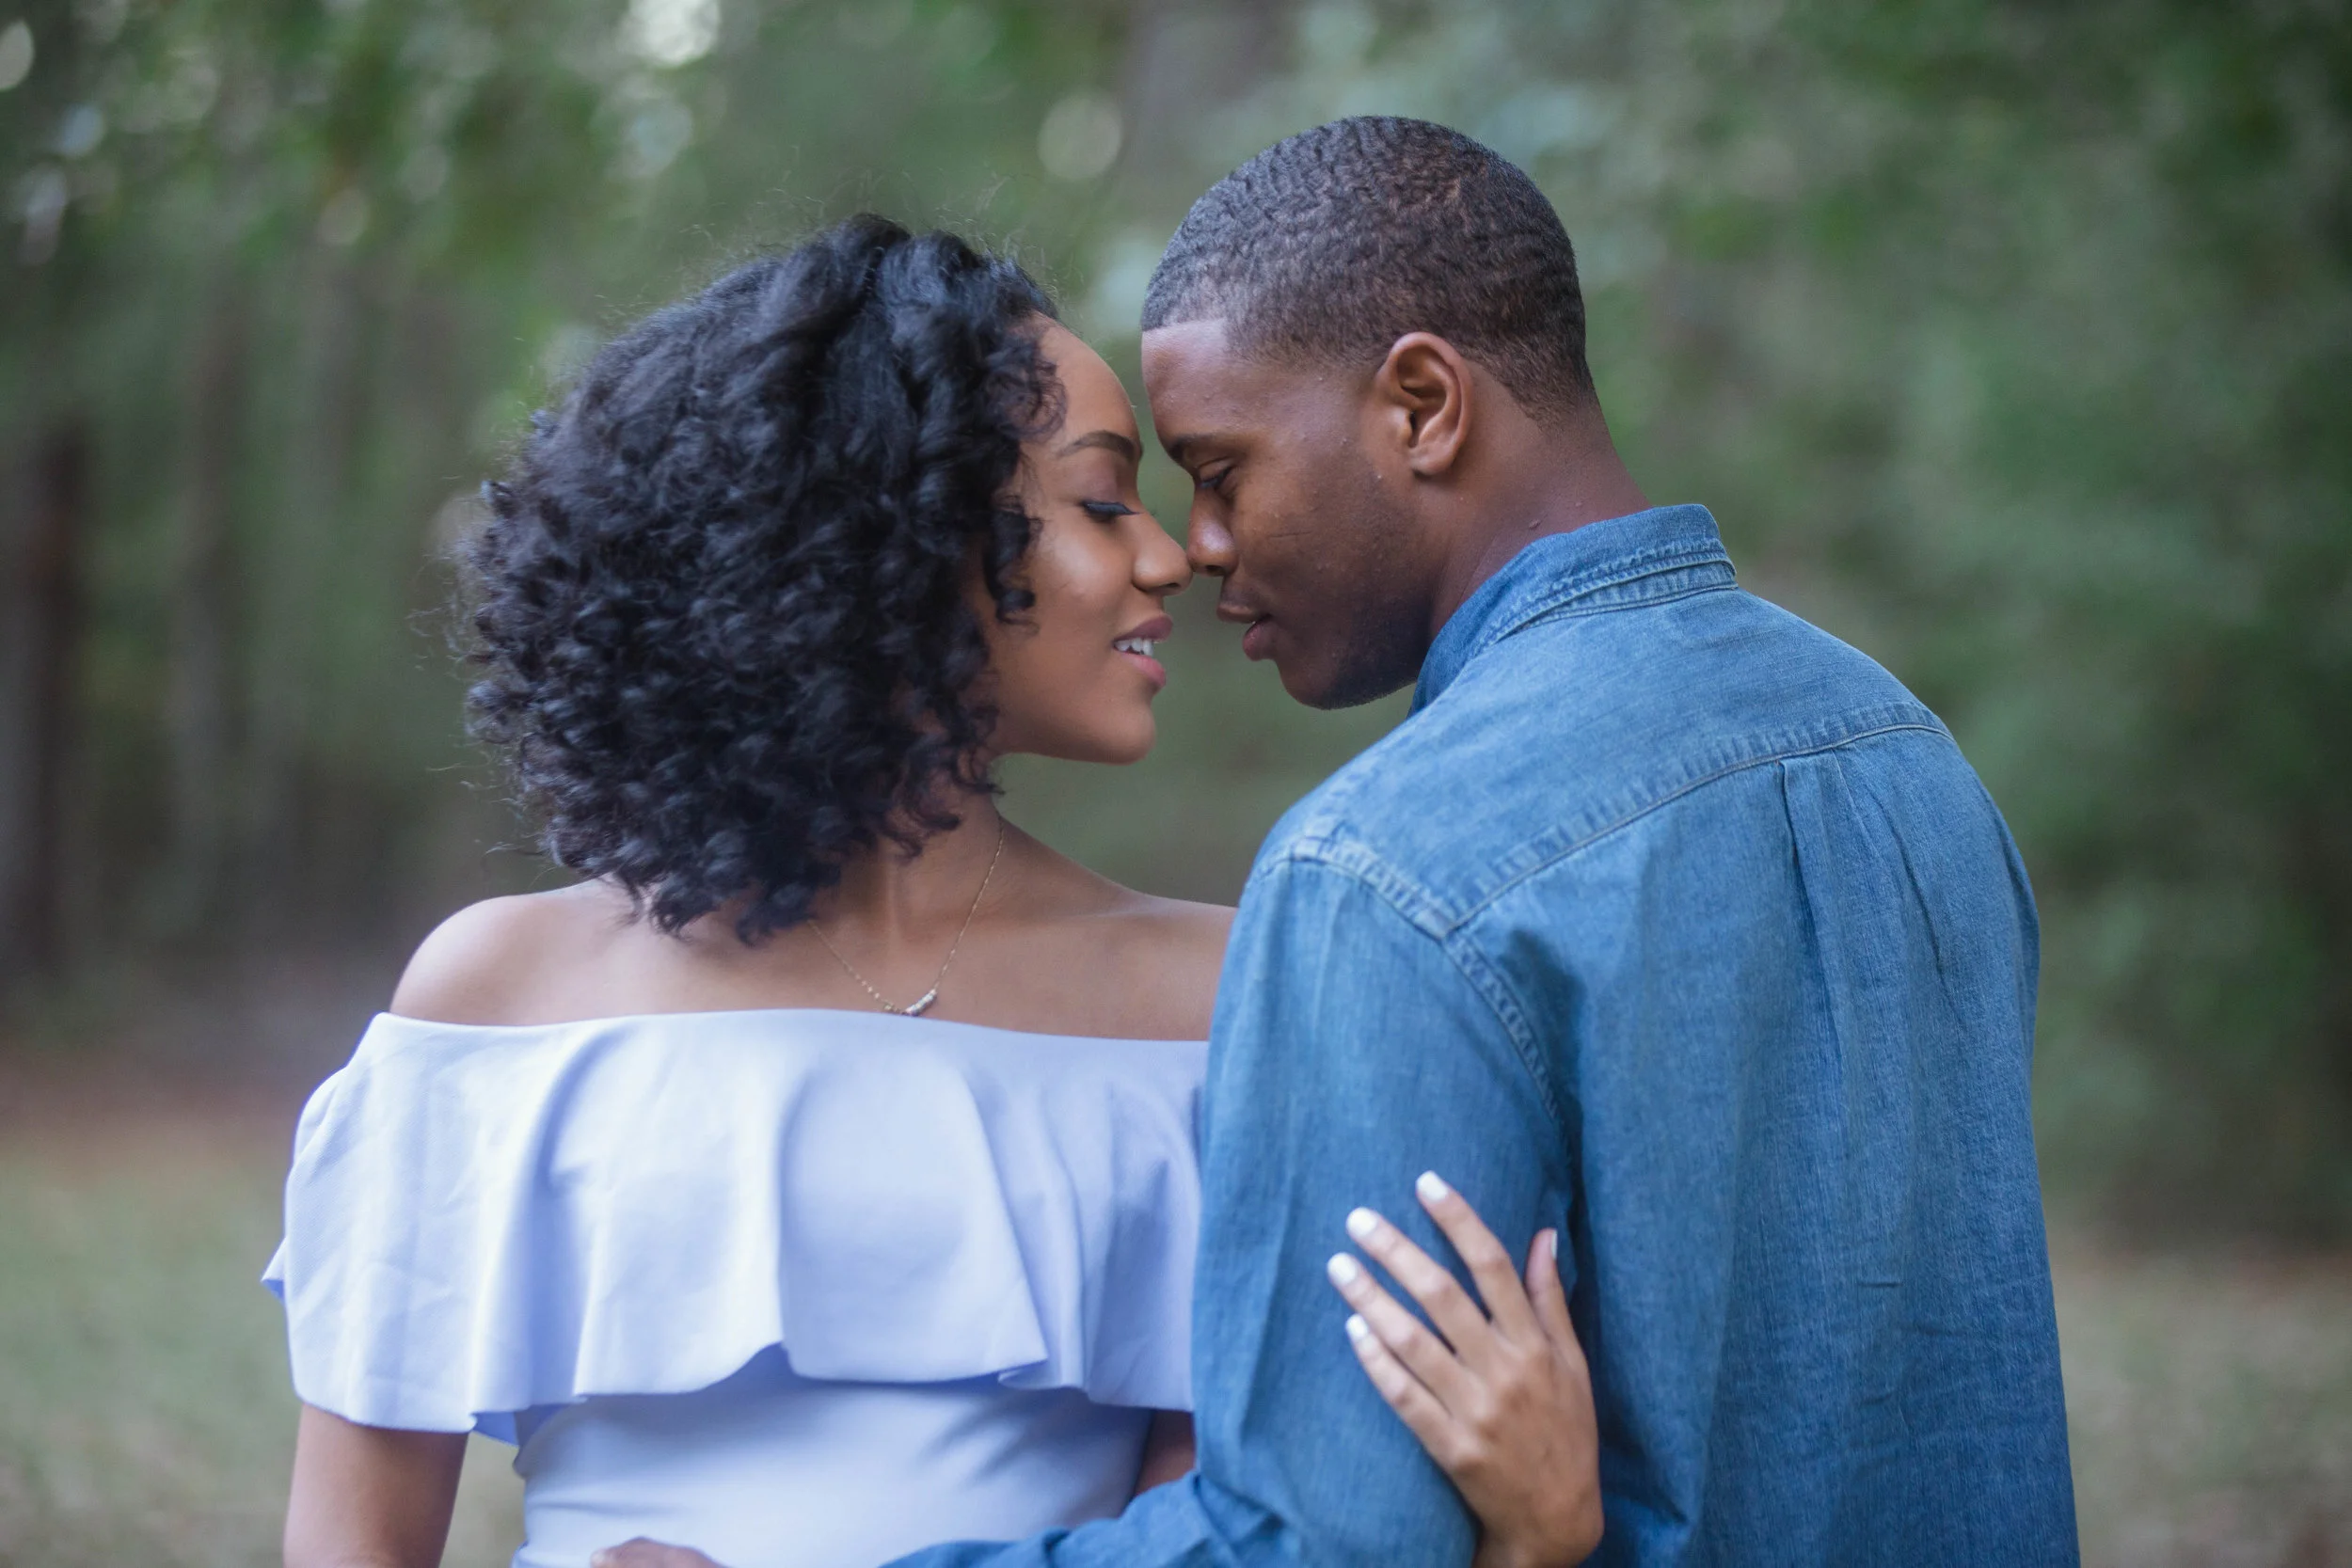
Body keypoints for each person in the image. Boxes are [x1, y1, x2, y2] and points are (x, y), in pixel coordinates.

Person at [606, 116, 2080, 1568]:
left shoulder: (1388, 872)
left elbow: (1320, 1537)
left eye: (1221, 467)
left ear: (1423, 406)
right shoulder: (1907, 758)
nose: (1200, 547)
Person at [268, 216, 1601, 1568]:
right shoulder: (497, 1005)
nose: (1169, 555)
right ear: (885, 540)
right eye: (1101, 500)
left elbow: (1241, 1538)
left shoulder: (1226, 1000)